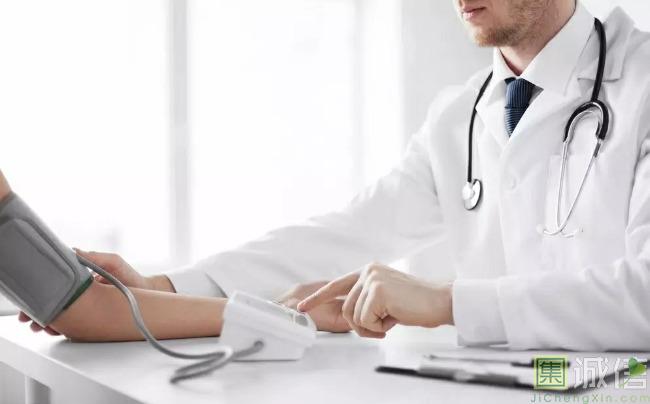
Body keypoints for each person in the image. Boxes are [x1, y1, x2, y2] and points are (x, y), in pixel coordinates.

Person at [14, 0, 650, 350]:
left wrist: (446, 302)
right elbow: (348, 233)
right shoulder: (460, 115)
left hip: (616, 392)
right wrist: (166, 287)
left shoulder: (642, 83)